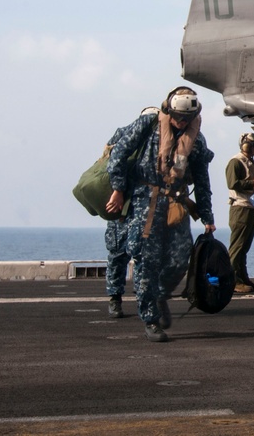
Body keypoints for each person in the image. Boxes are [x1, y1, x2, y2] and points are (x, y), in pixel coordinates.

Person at [106, 86, 216, 343]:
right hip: (147, 202)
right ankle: (150, 319)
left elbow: (202, 180)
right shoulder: (148, 125)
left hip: (176, 204)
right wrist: (118, 190)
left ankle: (160, 294)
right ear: (169, 110)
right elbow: (119, 154)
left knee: (179, 260)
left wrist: (207, 216)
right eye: (177, 116)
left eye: (186, 118)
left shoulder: (196, 141)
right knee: (146, 261)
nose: (181, 122)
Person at [103, 106, 159, 319]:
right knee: (119, 252)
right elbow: (111, 162)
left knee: (139, 254)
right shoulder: (124, 134)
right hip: (122, 204)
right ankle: (115, 297)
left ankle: (133, 297)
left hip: (143, 206)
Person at [226, 132, 254, 293]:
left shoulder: (250, 162)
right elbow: (233, 183)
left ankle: (242, 277)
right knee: (237, 247)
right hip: (240, 208)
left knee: (244, 248)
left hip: (250, 206)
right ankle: (232, 280)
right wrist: (253, 183)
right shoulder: (236, 162)